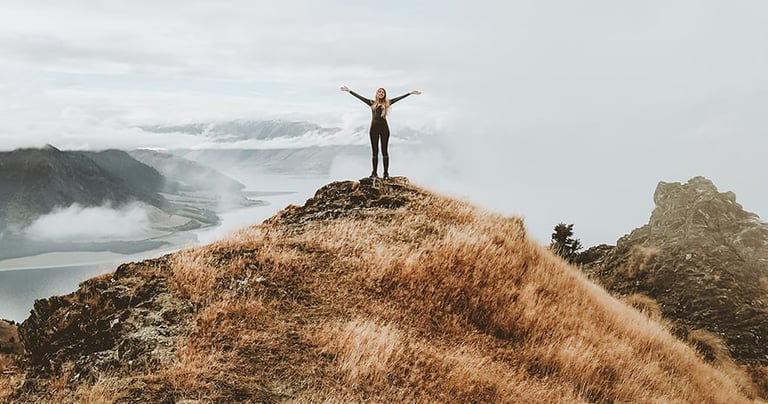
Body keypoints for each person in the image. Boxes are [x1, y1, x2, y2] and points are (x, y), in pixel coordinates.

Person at [340, 85, 421, 179]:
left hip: (384, 129)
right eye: (379, 92)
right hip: (373, 129)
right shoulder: (371, 103)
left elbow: (398, 98)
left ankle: (386, 174)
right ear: (377, 94)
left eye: (383, 92)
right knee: (375, 152)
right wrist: (349, 91)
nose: (381, 93)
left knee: (384, 151)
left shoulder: (388, 103)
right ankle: (374, 173)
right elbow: (360, 97)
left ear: (384, 95)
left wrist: (409, 93)